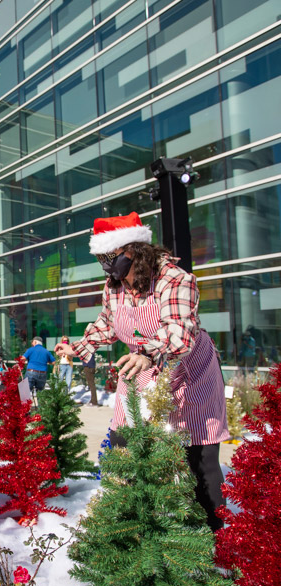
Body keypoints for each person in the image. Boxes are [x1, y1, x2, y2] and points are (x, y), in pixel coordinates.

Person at [53, 212, 228, 531]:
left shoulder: (173, 278)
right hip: (140, 369)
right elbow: (107, 323)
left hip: (189, 372)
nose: (106, 266)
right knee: (123, 448)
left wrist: (149, 351)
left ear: (132, 250)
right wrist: (79, 348)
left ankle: (214, 538)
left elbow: (180, 331)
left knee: (198, 456)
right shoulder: (113, 286)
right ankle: (127, 528)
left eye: (110, 257)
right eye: (101, 259)